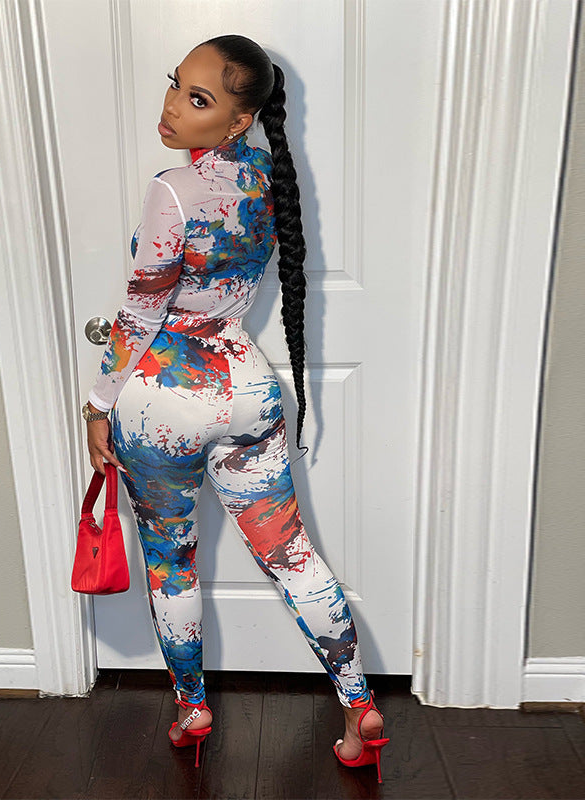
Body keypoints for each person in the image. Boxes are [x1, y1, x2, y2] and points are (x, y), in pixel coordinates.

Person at [81, 35, 390, 781]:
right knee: (291, 554)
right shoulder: (266, 181)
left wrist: (96, 402)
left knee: (171, 562)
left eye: (198, 99)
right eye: (175, 86)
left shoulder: (173, 189)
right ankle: (359, 704)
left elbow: (142, 309)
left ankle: (192, 711)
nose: (171, 106)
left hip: (162, 398)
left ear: (237, 119)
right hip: (246, 387)